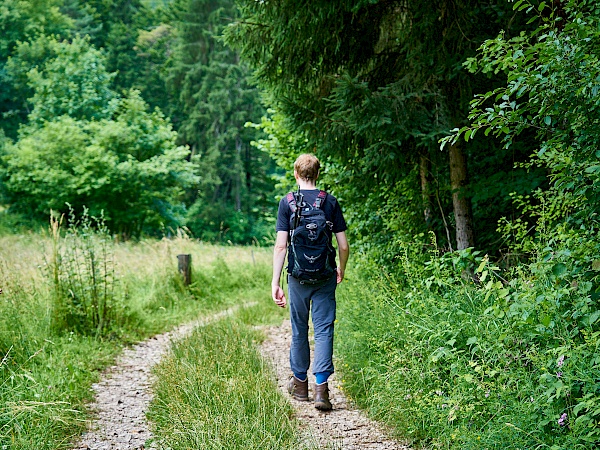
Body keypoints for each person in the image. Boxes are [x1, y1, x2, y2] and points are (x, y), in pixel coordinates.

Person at [271, 153, 349, 411]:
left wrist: (275, 281)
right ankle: (321, 391)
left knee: (299, 329)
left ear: (296, 174)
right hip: (325, 276)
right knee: (324, 329)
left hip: (297, 277)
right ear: (317, 174)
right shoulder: (330, 202)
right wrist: (341, 267)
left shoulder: (287, 202)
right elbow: (343, 245)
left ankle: (300, 385)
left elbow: (281, 245)